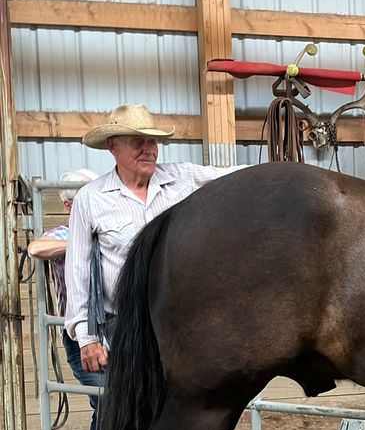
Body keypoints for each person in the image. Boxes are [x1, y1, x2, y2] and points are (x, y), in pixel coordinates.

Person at [65, 103, 246, 375]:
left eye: (153, 141)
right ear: (113, 146)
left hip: (179, 324)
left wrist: (282, 169)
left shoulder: (182, 178)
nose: (148, 149)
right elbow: (77, 269)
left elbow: (235, 176)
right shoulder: (90, 198)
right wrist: (87, 338)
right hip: (122, 327)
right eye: (139, 141)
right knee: (122, 409)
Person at [28, 168, 103, 430]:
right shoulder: (63, 233)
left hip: (117, 329)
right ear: (71, 206)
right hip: (80, 333)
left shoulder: (110, 227)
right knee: (106, 399)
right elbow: (35, 249)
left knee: (124, 400)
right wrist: (80, 241)